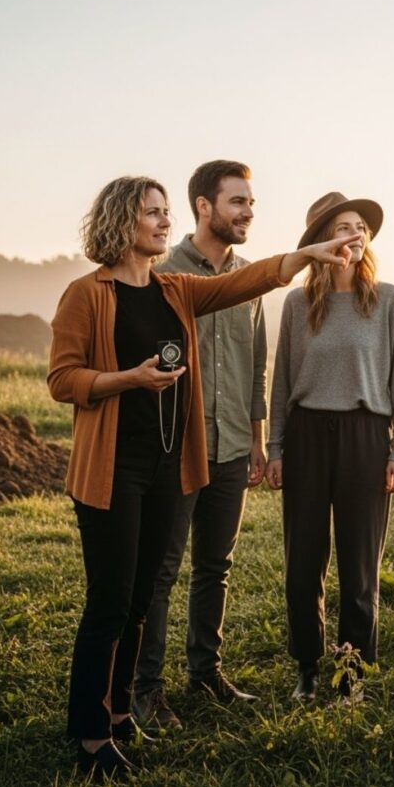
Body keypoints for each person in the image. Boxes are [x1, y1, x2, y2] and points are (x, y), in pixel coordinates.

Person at [48, 176, 355, 780]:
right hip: (113, 468)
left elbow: (248, 279)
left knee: (138, 603)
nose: (164, 224)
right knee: (109, 604)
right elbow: (63, 381)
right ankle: (88, 736)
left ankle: (116, 721)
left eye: (166, 213)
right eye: (152, 214)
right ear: (121, 222)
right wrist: (127, 379)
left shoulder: (176, 290)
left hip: (168, 467)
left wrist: (308, 256)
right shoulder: (87, 295)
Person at [265, 191, 394, 703]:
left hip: (364, 438)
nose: (353, 235)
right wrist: (277, 446)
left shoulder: (389, 300)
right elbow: (282, 378)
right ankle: (308, 667)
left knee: (359, 565)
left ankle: (353, 672)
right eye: (342, 227)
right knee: (303, 559)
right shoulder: (296, 303)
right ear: (321, 242)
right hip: (308, 436)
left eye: (360, 227)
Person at [133, 160, 267, 731]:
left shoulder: (252, 279)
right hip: (176, 447)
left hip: (234, 444)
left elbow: (256, 364)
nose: (248, 213)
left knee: (217, 565)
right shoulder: (162, 272)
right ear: (204, 207)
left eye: (250, 203)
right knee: (161, 570)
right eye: (237, 202)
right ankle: (145, 690)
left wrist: (258, 442)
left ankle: (205, 671)